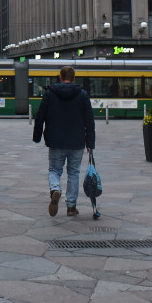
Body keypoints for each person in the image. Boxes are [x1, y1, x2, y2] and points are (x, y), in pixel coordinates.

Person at [32, 66, 95, 217]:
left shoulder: (50, 93)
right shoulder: (82, 94)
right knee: (73, 173)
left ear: (60, 77)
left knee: (54, 170)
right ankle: (71, 207)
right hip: (77, 140)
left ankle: (55, 189)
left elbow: (40, 116)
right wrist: (90, 143)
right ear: (74, 78)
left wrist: (37, 136)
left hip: (55, 140)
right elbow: (89, 120)